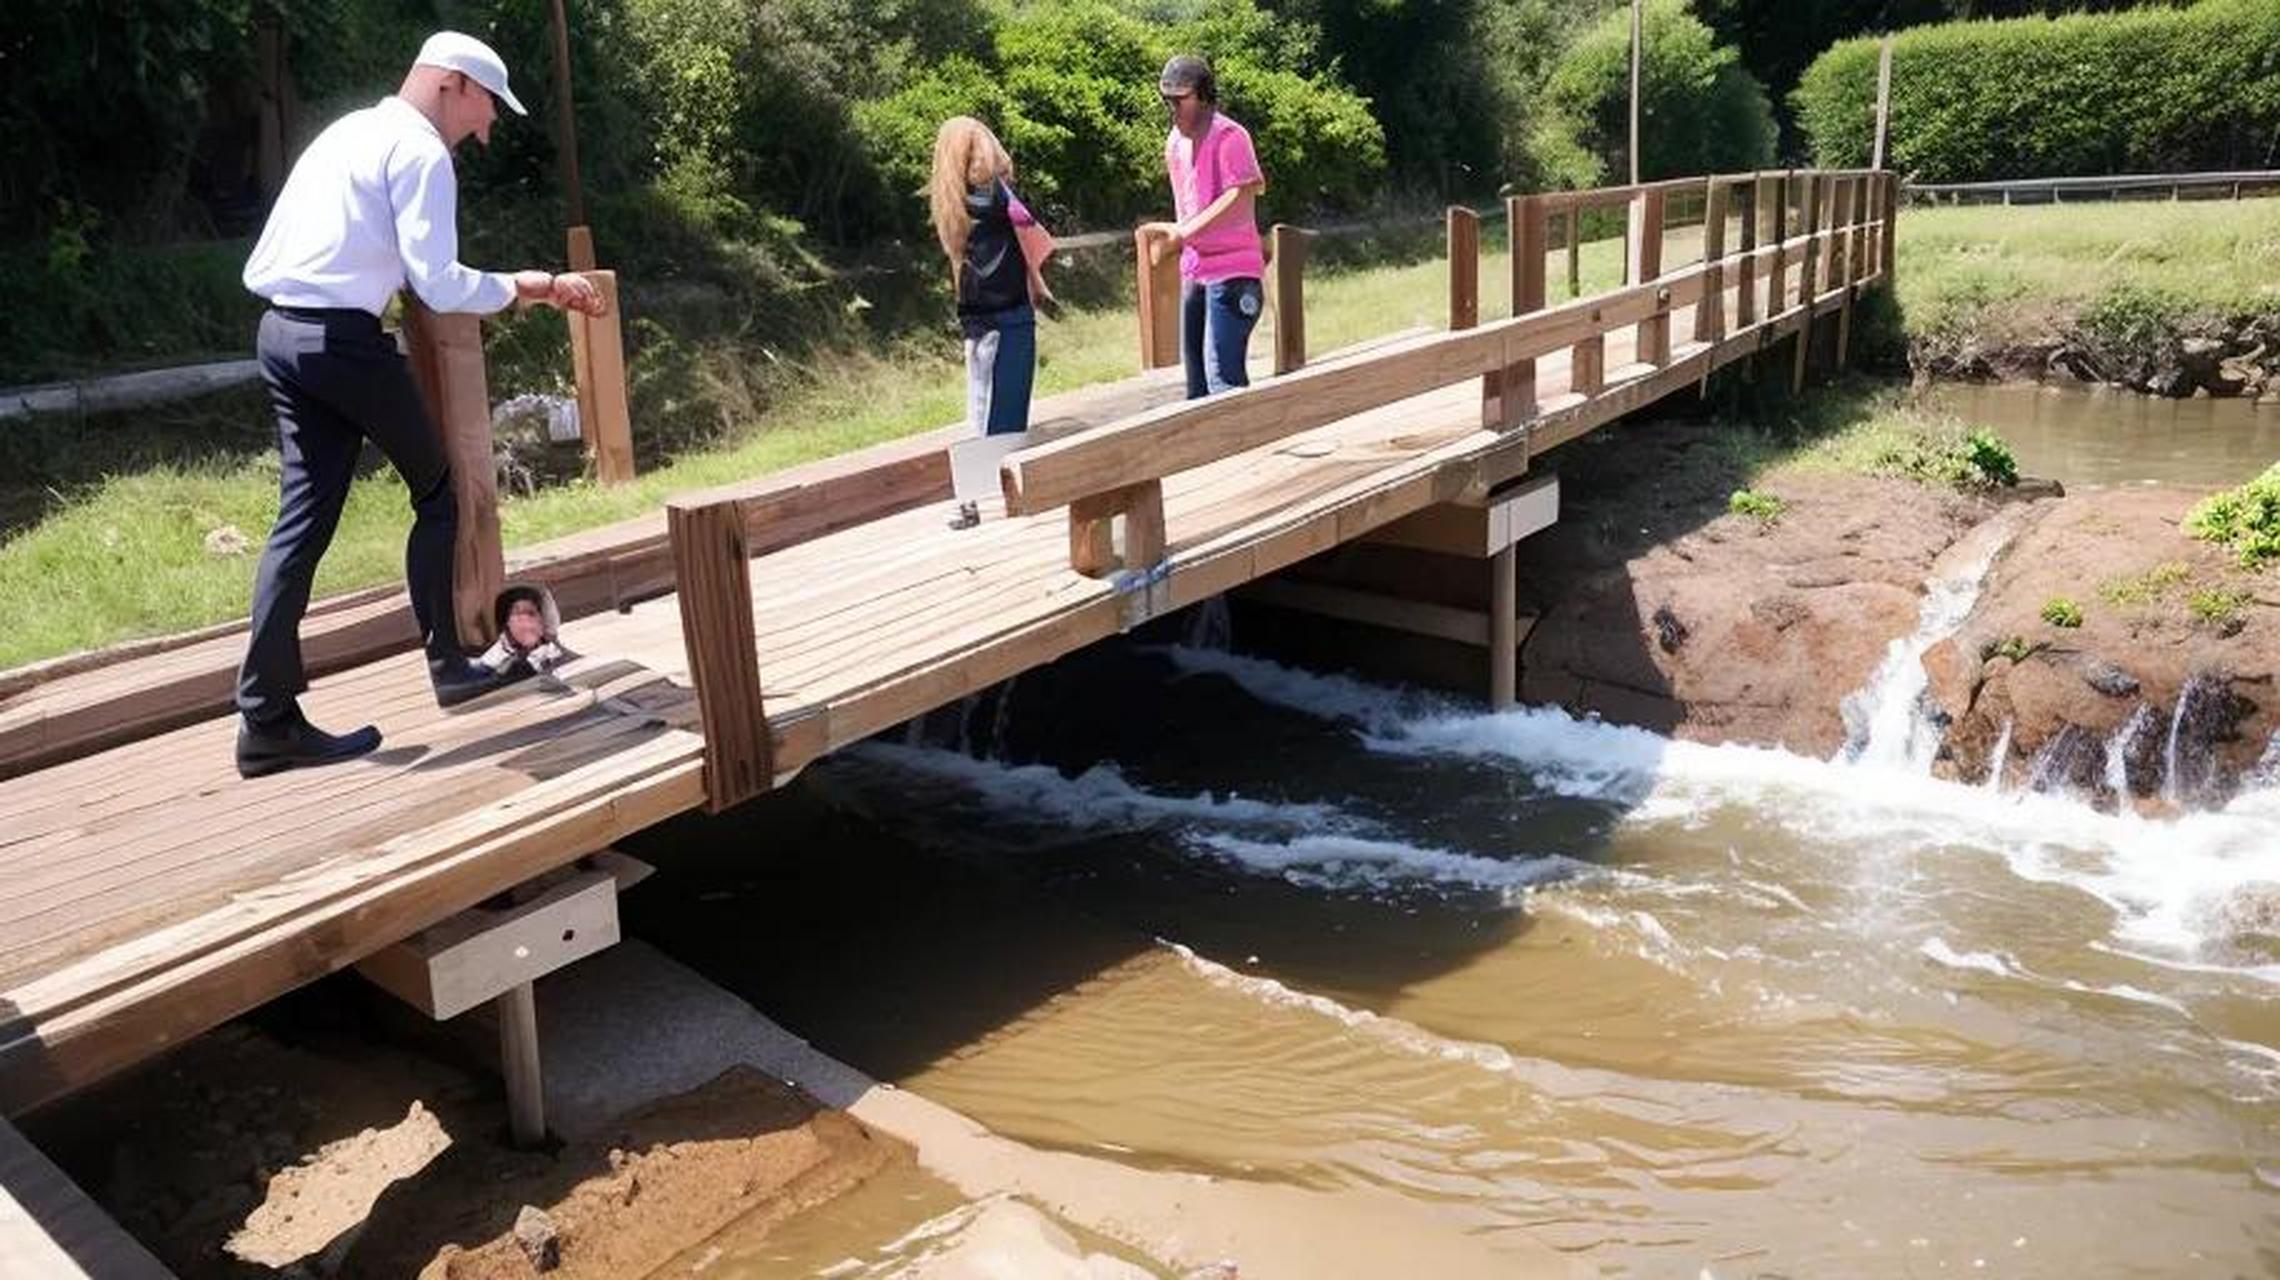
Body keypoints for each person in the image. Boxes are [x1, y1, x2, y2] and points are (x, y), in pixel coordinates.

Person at [234, 31, 602, 779]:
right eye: (489, 106)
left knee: (300, 527)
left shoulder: (349, 133)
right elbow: (435, 283)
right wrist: (529, 285)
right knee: (439, 494)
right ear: (452, 84)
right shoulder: (422, 152)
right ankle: (450, 668)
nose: (490, 125)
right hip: (342, 344)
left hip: (281, 334)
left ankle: (266, 721)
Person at [929, 115, 1055, 529]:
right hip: (1008, 314)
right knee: (1000, 410)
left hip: (979, 317)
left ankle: (979, 499)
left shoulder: (954, 202)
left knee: (983, 404)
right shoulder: (993, 196)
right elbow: (1035, 239)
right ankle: (969, 501)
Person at [1142, 55, 1267, 400]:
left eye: (1180, 100)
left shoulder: (1230, 136)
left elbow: (1239, 196)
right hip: (1195, 271)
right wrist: (1177, 237)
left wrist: (1183, 232)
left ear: (1204, 96)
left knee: (1222, 382)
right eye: (1168, 101)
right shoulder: (1174, 143)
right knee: (1197, 390)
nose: (1173, 109)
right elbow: (1186, 201)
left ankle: (1243, 451)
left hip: (1233, 272)